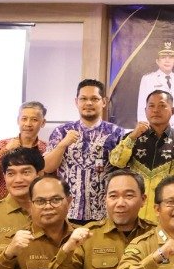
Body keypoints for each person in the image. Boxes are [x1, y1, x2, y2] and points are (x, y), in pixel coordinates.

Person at [44, 79, 128, 223]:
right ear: (76, 101)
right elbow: (47, 167)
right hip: (66, 213)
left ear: (104, 102)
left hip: (104, 214)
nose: (88, 103)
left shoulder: (117, 133)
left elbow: (124, 172)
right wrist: (63, 145)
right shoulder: (61, 131)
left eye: (94, 99)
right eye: (83, 99)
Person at [108, 89, 174, 226]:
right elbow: (116, 162)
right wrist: (132, 137)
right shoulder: (132, 137)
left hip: (167, 213)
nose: (156, 110)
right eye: (151, 106)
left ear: (173, 110)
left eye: (162, 106)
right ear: (145, 110)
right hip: (135, 212)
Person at [0, 101, 48, 201]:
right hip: (5, 206)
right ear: (18, 120)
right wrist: (5, 150)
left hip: (36, 205)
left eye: (34, 120)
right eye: (24, 119)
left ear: (43, 123)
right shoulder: (0, 146)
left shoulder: (47, 149)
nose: (28, 124)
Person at [139, 41, 174, 129]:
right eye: (163, 57)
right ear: (157, 61)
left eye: (170, 58)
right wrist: (144, 129)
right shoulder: (148, 79)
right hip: (155, 129)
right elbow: (142, 107)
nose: (167, 61)